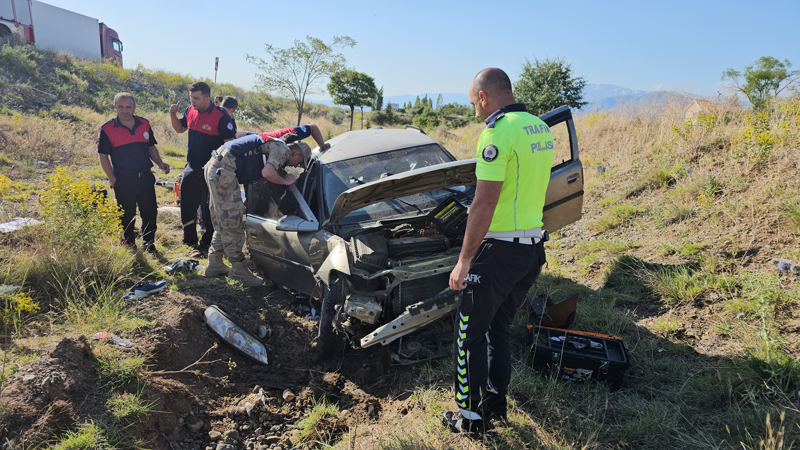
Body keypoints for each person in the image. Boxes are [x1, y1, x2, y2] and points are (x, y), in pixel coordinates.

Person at [444, 68, 553, 433]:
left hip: (498, 251)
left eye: (473, 103)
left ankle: (470, 419)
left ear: (483, 97)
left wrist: (464, 261)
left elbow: (484, 202)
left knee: (468, 334)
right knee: (497, 328)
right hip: (531, 250)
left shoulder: (496, 133)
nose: (474, 110)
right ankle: (494, 407)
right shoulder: (539, 127)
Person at [202, 129, 326, 286]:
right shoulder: (283, 149)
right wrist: (285, 180)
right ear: (296, 154)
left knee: (223, 219)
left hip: (215, 165)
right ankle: (238, 269)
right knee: (232, 221)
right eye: (299, 162)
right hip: (224, 170)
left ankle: (214, 263)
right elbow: (267, 172)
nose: (296, 166)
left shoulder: (273, 143)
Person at [97, 92, 170, 253]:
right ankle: (129, 247)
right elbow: (103, 156)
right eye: (121, 107)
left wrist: (160, 163)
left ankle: (149, 245)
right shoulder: (107, 128)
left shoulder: (144, 123)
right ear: (115, 107)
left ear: (134, 107)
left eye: (128, 107)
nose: (124, 110)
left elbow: (150, 146)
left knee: (150, 213)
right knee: (126, 216)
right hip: (123, 180)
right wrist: (112, 179)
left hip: (145, 177)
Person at [169, 82, 235, 254]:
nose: (193, 101)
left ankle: (207, 243)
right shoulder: (190, 110)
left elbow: (230, 145)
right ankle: (189, 239)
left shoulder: (221, 116)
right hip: (192, 166)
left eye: (196, 98)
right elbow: (180, 129)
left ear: (207, 98)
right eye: (191, 97)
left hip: (211, 170)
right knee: (187, 204)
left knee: (208, 209)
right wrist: (173, 115)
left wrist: (223, 170)